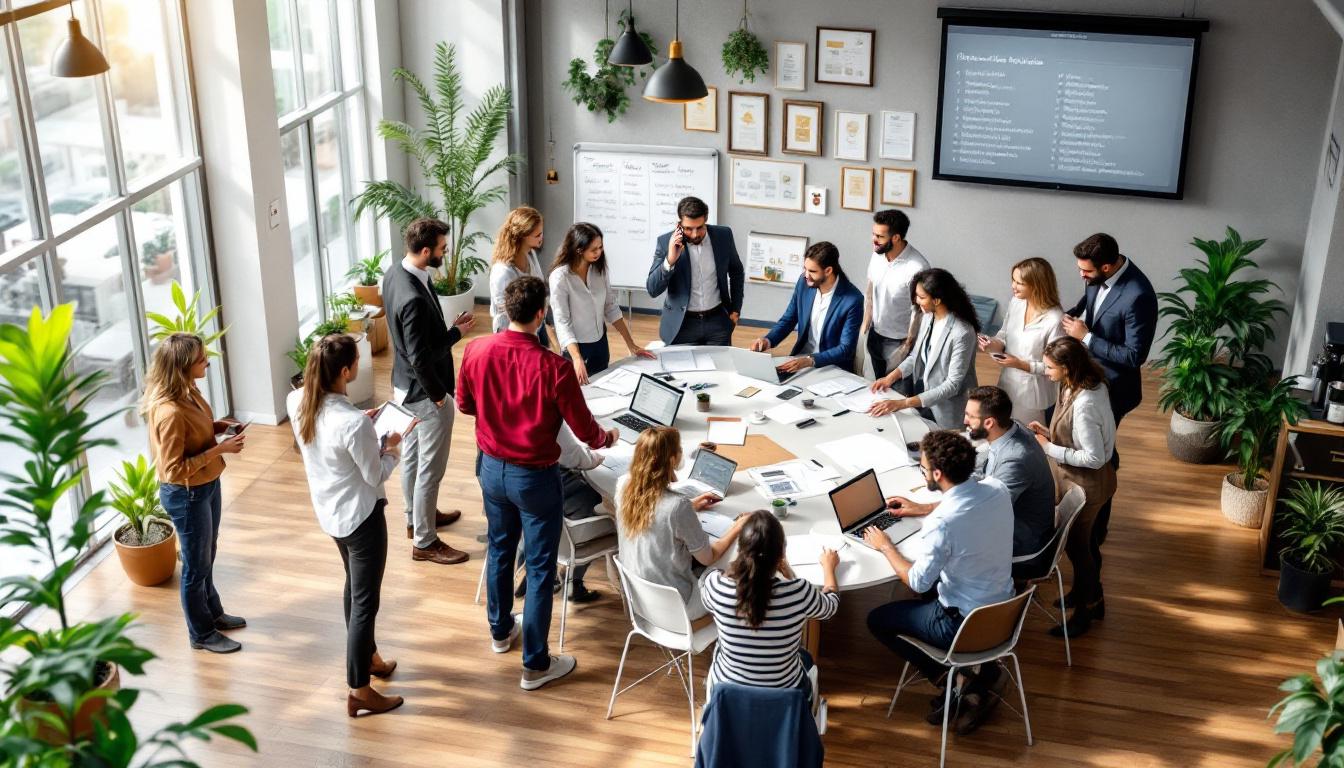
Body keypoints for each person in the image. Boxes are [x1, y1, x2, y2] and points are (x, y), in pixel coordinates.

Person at [457, 275, 619, 691]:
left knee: (499, 549)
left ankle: (499, 632)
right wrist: (607, 439)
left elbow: (465, 404)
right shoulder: (554, 367)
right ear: (541, 313)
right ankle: (535, 664)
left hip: (491, 469)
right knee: (542, 567)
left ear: (508, 311)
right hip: (535, 478)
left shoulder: (476, 350)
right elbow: (585, 431)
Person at [865, 430, 1015, 735]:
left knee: (877, 619)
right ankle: (981, 675)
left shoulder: (942, 522)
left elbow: (918, 582)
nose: (922, 474)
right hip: (1005, 609)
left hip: (962, 625)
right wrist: (921, 508)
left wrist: (885, 546)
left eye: (922, 469)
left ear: (937, 473)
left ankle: (950, 680)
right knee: (938, 582)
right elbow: (965, 508)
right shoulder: (998, 489)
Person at [286, 334, 403, 717]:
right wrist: (391, 447)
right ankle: (359, 689)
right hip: (361, 518)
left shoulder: (298, 401)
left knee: (354, 589)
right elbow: (375, 476)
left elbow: (332, 444)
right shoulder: (352, 424)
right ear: (346, 370)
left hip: (331, 514)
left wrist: (367, 434)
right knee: (365, 601)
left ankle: (368, 657)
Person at [882, 386, 1057, 580]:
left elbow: (984, 508)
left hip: (1022, 545)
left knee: (940, 550)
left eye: (969, 416)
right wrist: (946, 459)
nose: (964, 421)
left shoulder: (1015, 460)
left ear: (989, 422)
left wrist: (927, 507)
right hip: (1021, 524)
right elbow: (985, 458)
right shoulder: (1011, 428)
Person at [142, 333, 246, 654]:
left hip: (206, 484)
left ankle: (212, 613)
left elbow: (194, 430)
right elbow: (173, 469)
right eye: (202, 359)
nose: (207, 362)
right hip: (188, 495)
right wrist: (222, 449)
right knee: (195, 566)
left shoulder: (189, 390)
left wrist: (216, 427)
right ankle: (200, 633)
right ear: (184, 366)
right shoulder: (169, 412)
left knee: (207, 554)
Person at [382, 217, 474, 565]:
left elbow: (410, 346)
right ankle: (424, 540)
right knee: (430, 469)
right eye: (441, 249)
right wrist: (439, 397)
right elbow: (420, 358)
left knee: (414, 458)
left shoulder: (396, 273)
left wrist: (451, 331)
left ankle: (415, 518)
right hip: (424, 393)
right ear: (425, 251)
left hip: (403, 386)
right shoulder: (413, 299)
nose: (444, 254)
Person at [1027, 337, 1117, 638]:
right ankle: (1089, 596)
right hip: (1077, 481)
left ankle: (1087, 610)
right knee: (1086, 545)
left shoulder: (1087, 402)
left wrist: (1049, 447)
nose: (1046, 371)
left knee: (1080, 549)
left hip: (1087, 485)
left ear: (1067, 368)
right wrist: (1049, 433)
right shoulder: (1074, 384)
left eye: (1050, 367)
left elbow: (1094, 457)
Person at [701, 509, 839, 699]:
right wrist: (829, 569)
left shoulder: (717, 587)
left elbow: (710, 584)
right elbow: (830, 607)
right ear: (781, 552)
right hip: (785, 692)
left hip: (728, 693)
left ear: (740, 549)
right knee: (805, 657)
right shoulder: (798, 592)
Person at [616, 427, 748, 621]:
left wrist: (692, 506)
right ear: (671, 460)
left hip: (638, 598)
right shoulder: (677, 506)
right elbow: (708, 557)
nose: (681, 453)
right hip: (676, 607)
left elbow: (654, 514)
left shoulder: (624, 487)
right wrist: (738, 526)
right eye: (679, 449)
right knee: (735, 567)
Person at [1061, 232, 1157, 426]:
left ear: (1106, 267)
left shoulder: (1139, 296)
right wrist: (1060, 316)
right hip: (1084, 374)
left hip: (1111, 387)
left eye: (1086, 271)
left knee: (1101, 450)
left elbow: (1134, 356)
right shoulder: (1097, 274)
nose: (1082, 276)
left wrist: (1086, 337)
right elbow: (1090, 303)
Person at [868, 268, 980, 429]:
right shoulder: (928, 317)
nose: (916, 301)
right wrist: (890, 378)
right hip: (924, 401)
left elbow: (952, 385)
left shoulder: (962, 332)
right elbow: (916, 356)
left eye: (921, 297)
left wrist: (903, 403)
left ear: (937, 300)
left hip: (948, 410)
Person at [549, 222, 653, 384]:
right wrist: (576, 358)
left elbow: (610, 307)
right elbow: (562, 322)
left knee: (603, 387)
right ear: (579, 250)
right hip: (576, 348)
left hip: (600, 344)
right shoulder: (560, 277)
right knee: (579, 395)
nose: (599, 252)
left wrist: (631, 344)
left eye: (600, 247)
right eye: (594, 249)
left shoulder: (599, 270)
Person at [750, 241, 864, 374]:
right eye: (805, 269)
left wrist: (810, 360)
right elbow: (788, 319)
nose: (806, 275)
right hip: (800, 360)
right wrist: (767, 340)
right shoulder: (803, 283)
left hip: (832, 366)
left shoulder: (853, 300)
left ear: (828, 271)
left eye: (812, 271)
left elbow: (845, 348)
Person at [977, 257, 1065, 428]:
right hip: (1007, 384)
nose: (1013, 286)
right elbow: (1003, 336)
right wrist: (991, 345)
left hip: (1033, 396)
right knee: (1003, 430)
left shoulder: (1055, 319)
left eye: (1020, 283)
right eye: (1013, 280)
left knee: (1028, 438)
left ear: (1037, 285)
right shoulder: (1016, 303)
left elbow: (1057, 367)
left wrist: (1020, 364)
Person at [646, 195, 745, 346]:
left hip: (717, 323)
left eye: (699, 227)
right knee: (680, 369)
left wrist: (735, 309)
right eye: (688, 228)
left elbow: (736, 272)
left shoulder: (723, 236)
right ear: (679, 224)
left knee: (719, 369)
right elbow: (652, 289)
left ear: (705, 220)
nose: (694, 234)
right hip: (681, 325)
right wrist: (670, 260)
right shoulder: (666, 242)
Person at [863, 209, 929, 379]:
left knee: (895, 393)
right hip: (874, 334)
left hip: (899, 342)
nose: (874, 240)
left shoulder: (917, 267)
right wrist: (864, 328)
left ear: (896, 238)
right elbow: (870, 291)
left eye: (880, 236)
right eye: (874, 234)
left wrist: (907, 346)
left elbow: (920, 312)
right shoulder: (877, 255)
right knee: (870, 387)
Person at [489, 206, 548, 343]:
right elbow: (507, 313)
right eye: (538, 235)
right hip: (513, 335)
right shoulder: (502, 272)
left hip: (535, 325)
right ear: (523, 236)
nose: (542, 238)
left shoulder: (531, 254)